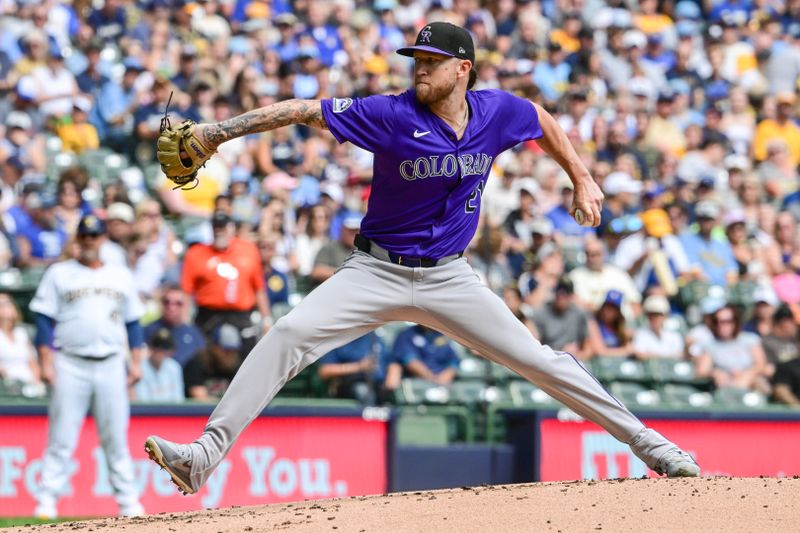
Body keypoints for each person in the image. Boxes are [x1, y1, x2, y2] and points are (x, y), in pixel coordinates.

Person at [146, 22, 700, 497]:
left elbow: (541, 120)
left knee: (540, 361)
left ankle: (651, 444)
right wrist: (219, 132)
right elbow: (301, 109)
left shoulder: (496, 112)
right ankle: (202, 458)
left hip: (449, 276)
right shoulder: (388, 113)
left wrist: (581, 177)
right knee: (289, 333)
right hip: (374, 271)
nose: (419, 68)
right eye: (416, 59)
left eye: (432, 61)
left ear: (463, 68)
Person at [29, 214, 144, 518]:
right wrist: (46, 361)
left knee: (116, 437)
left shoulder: (120, 275)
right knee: (62, 437)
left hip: (110, 363)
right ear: (78, 239)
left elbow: (133, 323)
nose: (90, 240)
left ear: (104, 239)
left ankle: (128, 503)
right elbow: (43, 320)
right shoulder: (60, 273)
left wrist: (136, 361)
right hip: (70, 362)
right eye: (86, 235)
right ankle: (47, 501)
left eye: (95, 235)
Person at [181, 210, 271, 347]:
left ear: (232, 228)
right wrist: (185, 322)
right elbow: (186, 292)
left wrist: (266, 319)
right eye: (216, 227)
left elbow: (259, 287)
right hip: (209, 315)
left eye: (223, 227)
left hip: (240, 315)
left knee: (245, 356)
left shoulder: (248, 250)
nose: (219, 231)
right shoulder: (196, 254)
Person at [694, 305, 769, 393]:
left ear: (735, 322)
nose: (720, 325)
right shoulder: (710, 345)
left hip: (750, 382)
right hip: (724, 385)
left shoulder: (750, 340)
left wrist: (745, 374)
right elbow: (701, 371)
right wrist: (715, 373)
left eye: (726, 321)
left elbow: (761, 365)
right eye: (716, 321)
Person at [143, 285, 206, 368]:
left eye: (178, 304)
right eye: (167, 302)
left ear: (186, 306)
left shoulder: (194, 334)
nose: (171, 307)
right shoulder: (148, 330)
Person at [317, 331, 387, 404]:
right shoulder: (338, 339)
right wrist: (359, 366)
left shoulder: (375, 337)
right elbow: (324, 371)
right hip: (349, 386)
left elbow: (389, 362)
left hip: (379, 386)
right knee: (363, 391)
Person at [531, 276, 591, 359]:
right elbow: (534, 347)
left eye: (565, 294)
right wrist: (558, 354)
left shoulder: (579, 314)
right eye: (559, 293)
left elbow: (588, 348)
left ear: (571, 296)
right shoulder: (542, 313)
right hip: (549, 358)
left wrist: (577, 355)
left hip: (572, 360)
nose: (561, 297)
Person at [183, 323, 243, 400]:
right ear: (214, 347)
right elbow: (199, 397)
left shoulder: (236, 365)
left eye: (233, 350)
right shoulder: (197, 363)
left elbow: (240, 397)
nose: (230, 354)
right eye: (226, 350)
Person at [387, 324, 460, 387]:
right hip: (417, 382)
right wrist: (432, 379)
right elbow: (409, 360)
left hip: (444, 383)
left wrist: (447, 375)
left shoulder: (443, 336)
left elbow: (454, 361)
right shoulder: (407, 334)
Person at [0, 293, 41, 389]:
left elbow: (32, 363)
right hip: (8, 390)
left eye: (8, 302)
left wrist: (36, 383)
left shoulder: (21, 333)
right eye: (2, 304)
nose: (6, 306)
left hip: (30, 386)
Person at [134, 327, 185, 403]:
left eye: (166, 350)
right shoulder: (140, 368)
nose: (162, 353)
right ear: (151, 348)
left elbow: (179, 400)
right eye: (159, 349)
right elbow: (143, 401)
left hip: (172, 413)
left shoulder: (174, 367)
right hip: (148, 413)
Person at [633, 295, 685, 360]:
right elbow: (640, 354)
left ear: (665, 316)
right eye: (652, 315)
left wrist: (652, 355)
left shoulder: (674, 335)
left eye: (659, 315)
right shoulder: (641, 334)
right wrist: (667, 356)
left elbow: (680, 355)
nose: (655, 318)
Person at [587, 290, 634, 358]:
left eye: (613, 308)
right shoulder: (594, 322)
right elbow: (599, 351)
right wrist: (624, 351)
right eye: (607, 306)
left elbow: (629, 347)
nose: (608, 311)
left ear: (618, 312)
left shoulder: (619, 327)